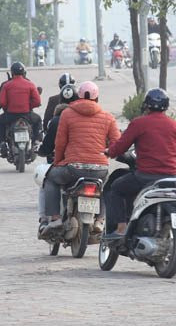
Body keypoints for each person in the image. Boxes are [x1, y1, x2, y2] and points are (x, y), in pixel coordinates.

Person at [102, 88, 176, 240]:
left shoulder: (139, 123)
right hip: (171, 178)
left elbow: (121, 147)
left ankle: (122, 228)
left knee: (115, 188)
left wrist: (110, 151)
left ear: (147, 105)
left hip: (145, 177)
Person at [41, 82, 120, 232]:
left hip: (73, 168)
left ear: (79, 96)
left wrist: (58, 162)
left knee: (50, 179)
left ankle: (56, 219)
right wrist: (107, 155)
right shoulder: (108, 117)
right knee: (107, 187)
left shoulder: (67, 114)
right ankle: (100, 220)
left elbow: (60, 143)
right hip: (100, 169)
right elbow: (116, 143)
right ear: (97, 98)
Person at [35, 83, 78, 226]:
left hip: (68, 165)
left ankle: (49, 218)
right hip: (94, 165)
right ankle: (100, 219)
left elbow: (51, 146)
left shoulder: (57, 121)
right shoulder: (93, 116)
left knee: (47, 180)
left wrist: (43, 152)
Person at [0, 62, 42, 156]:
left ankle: (3, 144)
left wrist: (9, 106)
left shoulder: (6, 85)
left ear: (12, 73)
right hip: (27, 114)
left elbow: (1, 102)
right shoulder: (30, 84)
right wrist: (28, 106)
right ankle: (36, 141)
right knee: (38, 120)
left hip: (10, 115)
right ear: (24, 72)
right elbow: (37, 102)